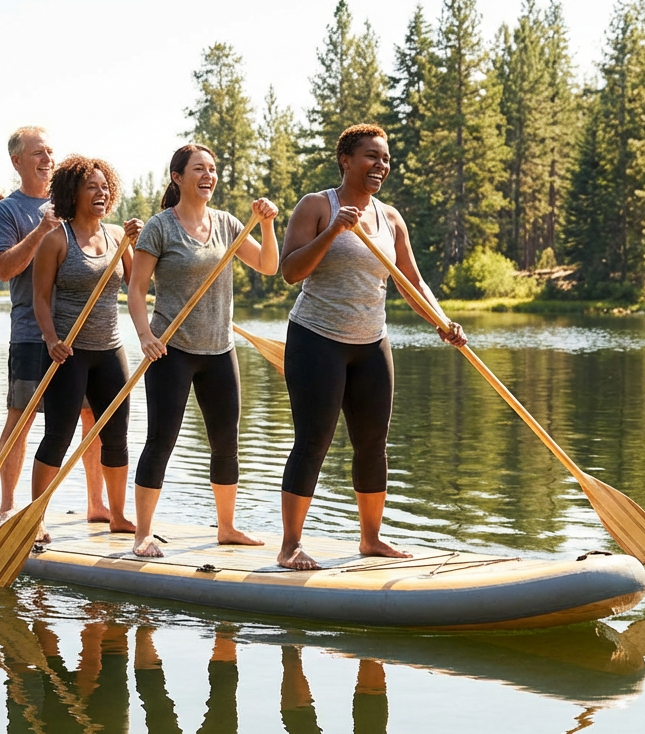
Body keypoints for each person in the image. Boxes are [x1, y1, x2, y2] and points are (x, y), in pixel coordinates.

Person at [275, 123, 468, 570]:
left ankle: (371, 539)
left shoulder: (391, 218)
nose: (379, 165)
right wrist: (333, 232)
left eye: (385, 159)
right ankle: (290, 546)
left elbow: (411, 281)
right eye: (370, 156)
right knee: (313, 441)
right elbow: (289, 271)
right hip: (316, 339)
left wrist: (442, 321)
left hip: (371, 343)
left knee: (373, 443)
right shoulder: (316, 206)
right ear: (346, 160)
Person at [126, 144, 279, 558]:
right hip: (170, 350)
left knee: (226, 443)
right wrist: (144, 335)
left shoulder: (229, 224)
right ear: (178, 177)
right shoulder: (159, 227)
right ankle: (143, 533)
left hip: (218, 350)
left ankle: (226, 527)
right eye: (199, 169)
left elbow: (268, 265)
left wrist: (265, 224)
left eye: (213, 169)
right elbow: (136, 291)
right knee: (161, 440)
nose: (208, 175)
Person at [0, 127, 109, 523]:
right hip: (31, 332)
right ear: (17, 161)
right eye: (37, 152)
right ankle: (9, 506)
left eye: (50, 151)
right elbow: (4, 269)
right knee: (20, 415)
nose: (46, 158)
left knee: (90, 416)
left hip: (82, 337)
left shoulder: (75, 207)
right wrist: (41, 230)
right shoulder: (8, 211)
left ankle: (96, 504)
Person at [29, 155, 139, 541]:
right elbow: (40, 299)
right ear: (72, 193)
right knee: (58, 435)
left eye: (104, 186)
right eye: (91, 186)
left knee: (117, 437)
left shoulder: (115, 237)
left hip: (109, 350)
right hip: (68, 352)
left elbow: (137, 283)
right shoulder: (55, 240)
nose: (101, 192)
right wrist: (51, 340)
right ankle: (35, 517)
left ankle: (119, 515)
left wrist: (138, 244)